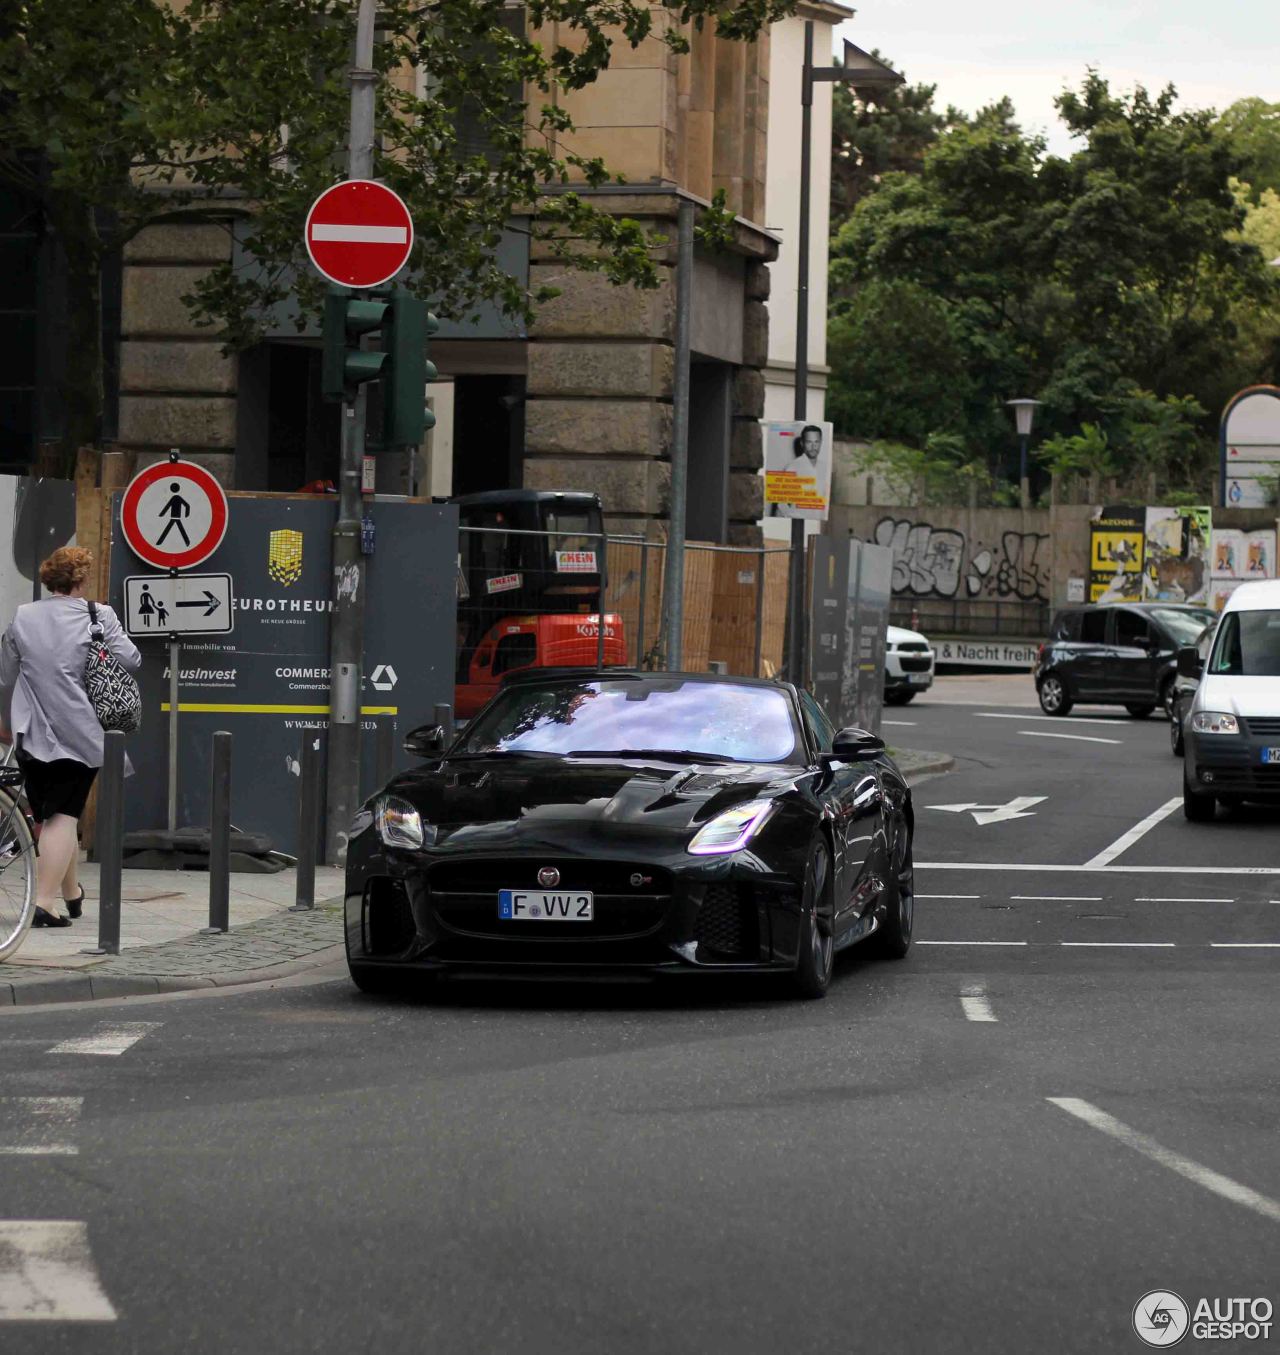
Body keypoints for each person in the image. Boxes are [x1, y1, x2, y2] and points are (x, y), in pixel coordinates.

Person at [0, 547, 140, 927]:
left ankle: (70, 893)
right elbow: (131, 660)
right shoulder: (98, 615)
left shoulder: (24, 616)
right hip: (79, 729)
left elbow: (7, 670)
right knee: (64, 814)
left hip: (30, 729)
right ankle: (43, 903)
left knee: (53, 811)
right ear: (81, 579)